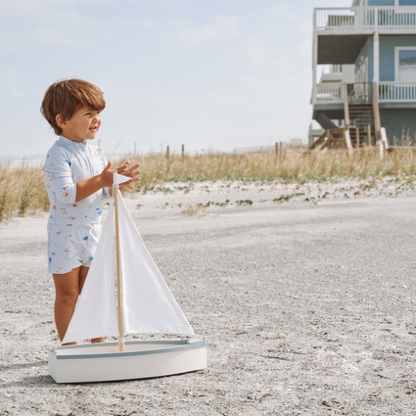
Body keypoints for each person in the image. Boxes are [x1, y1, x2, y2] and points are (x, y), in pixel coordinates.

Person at [41, 79, 140, 345]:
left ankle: (98, 345)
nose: (96, 120)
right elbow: (66, 194)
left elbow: (103, 192)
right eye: (88, 114)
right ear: (62, 120)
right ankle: (69, 348)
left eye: (98, 113)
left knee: (94, 292)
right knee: (68, 294)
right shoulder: (57, 155)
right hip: (66, 234)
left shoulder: (97, 153)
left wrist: (117, 183)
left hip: (93, 232)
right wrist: (103, 180)